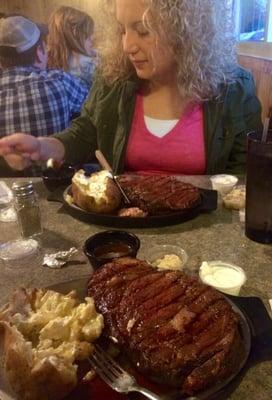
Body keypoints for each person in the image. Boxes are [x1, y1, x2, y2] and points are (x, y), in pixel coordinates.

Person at [0, 0, 263, 175]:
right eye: (122, 30)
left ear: (186, 30)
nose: (127, 45)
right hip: (126, 232)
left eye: (143, 30)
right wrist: (44, 146)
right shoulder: (114, 79)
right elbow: (87, 133)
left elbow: (242, 182)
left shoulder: (235, 90)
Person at [0, 15, 89, 175]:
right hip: (61, 186)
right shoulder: (59, 80)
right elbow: (93, 112)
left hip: (8, 193)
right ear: (40, 51)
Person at [47, 6, 96, 85]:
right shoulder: (87, 66)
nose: (92, 38)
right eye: (88, 34)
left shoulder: (50, 60)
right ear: (75, 34)